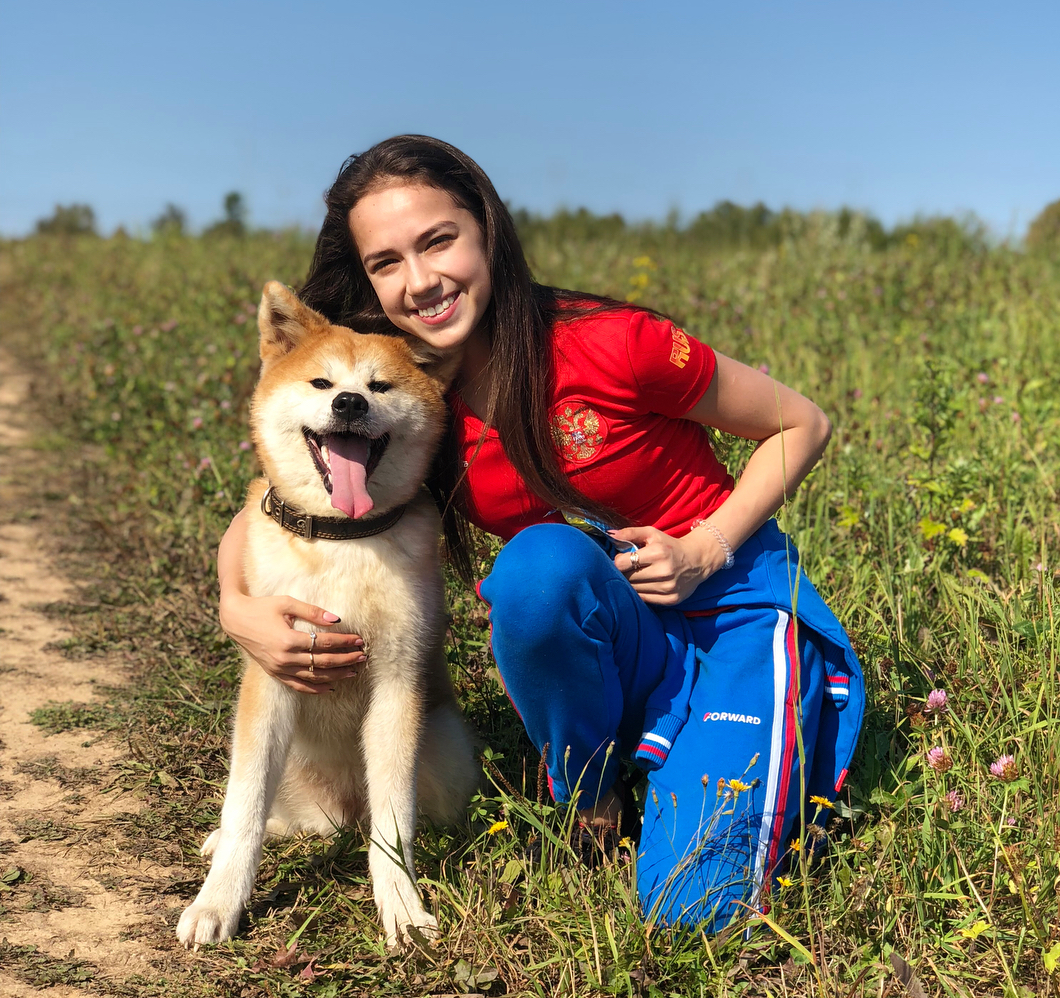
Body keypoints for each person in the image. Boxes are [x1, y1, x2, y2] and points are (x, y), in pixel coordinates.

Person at [216, 135, 864, 931]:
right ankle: (596, 782)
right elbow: (280, 502)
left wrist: (704, 548)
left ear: (488, 229)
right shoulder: (400, 390)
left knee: (694, 905)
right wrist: (235, 606)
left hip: (731, 610)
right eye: (387, 261)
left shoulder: (614, 341)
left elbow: (803, 421)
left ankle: (720, 746)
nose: (420, 280)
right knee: (535, 571)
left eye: (439, 240)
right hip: (615, 633)